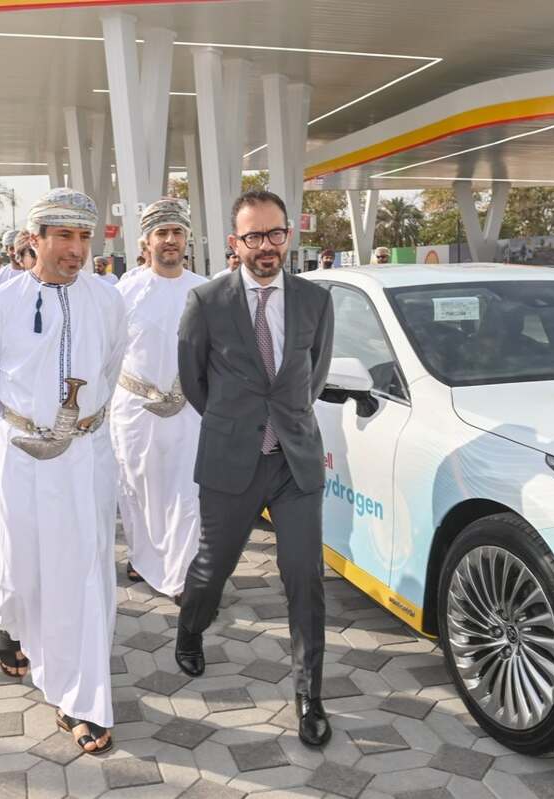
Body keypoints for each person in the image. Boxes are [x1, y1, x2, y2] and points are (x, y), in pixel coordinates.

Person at [0, 188, 127, 755]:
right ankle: (19, 631)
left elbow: (110, 366)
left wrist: (77, 432)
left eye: (84, 237)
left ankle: (82, 700)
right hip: (23, 459)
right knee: (25, 568)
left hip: (85, 459)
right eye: (64, 237)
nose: (75, 250)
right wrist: (16, 443)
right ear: (33, 240)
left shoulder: (108, 300)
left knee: (83, 573)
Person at [174, 189, 334, 748]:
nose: (266, 247)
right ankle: (190, 629)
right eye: (253, 237)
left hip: (295, 463)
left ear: (289, 234)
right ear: (233, 242)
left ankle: (309, 696)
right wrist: (236, 424)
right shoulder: (206, 301)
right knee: (212, 570)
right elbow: (194, 382)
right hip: (230, 460)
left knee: (305, 579)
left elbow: (312, 378)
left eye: (276, 234)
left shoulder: (316, 300)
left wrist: (283, 420)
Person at [112, 199, 206, 597]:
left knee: (188, 493)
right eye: (162, 233)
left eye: (177, 232)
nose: (170, 240)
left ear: (186, 240)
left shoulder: (205, 290)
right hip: (136, 410)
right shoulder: (123, 292)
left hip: (191, 410)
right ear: (146, 241)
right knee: (139, 491)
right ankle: (142, 557)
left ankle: (181, 574)